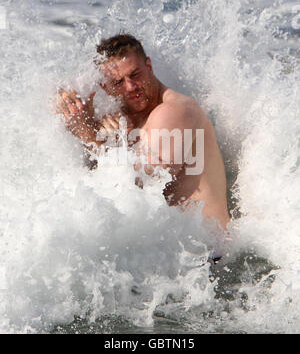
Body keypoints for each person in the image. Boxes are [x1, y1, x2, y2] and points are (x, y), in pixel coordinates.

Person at [57, 33, 230, 229]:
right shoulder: (125, 117)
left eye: (135, 74)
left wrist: (88, 135)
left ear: (149, 66)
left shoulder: (175, 111)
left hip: (209, 252)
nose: (130, 87)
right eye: (118, 82)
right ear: (105, 87)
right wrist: (74, 110)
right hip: (172, 248)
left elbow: (138, 188)